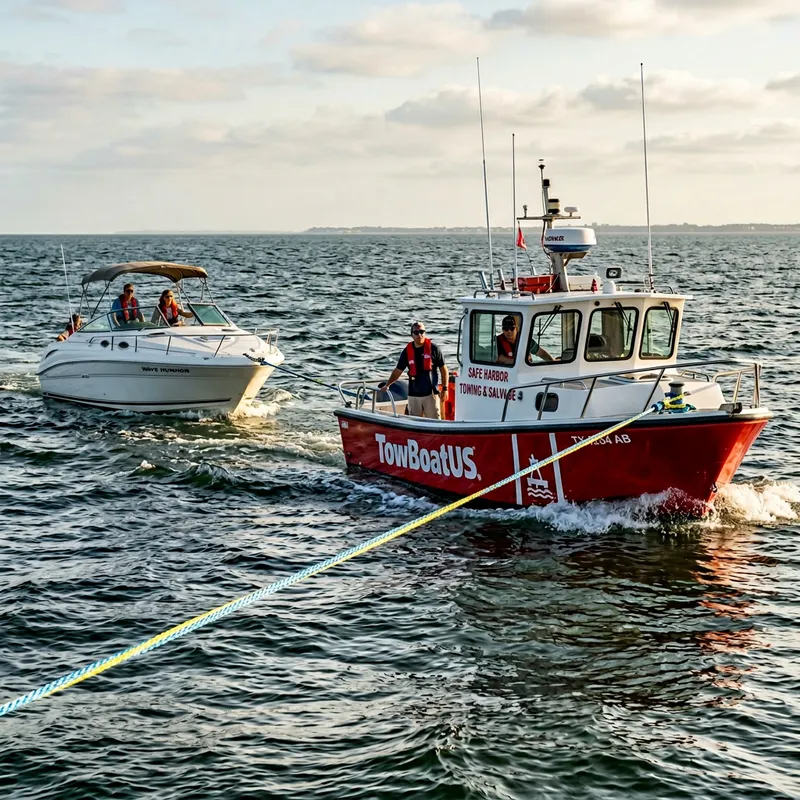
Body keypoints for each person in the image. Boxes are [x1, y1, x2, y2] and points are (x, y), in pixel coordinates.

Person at [383, 322, 448, 419]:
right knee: (414, 420)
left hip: (431, 394)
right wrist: (387, 385)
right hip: (413, 395)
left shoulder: (434, 349)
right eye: (416, 332)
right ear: (412, 335)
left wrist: (445, 388)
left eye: (422, 332)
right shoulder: (407, 351)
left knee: (435, 421)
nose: (419, 335)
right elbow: (398, 371)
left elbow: (444, 369)